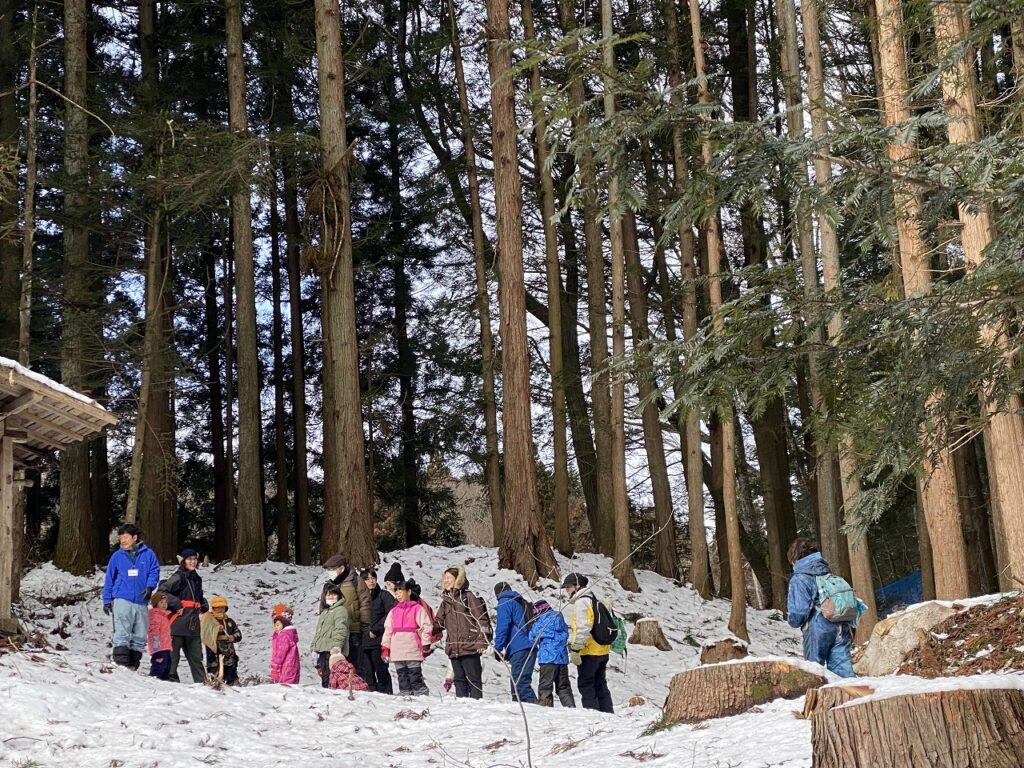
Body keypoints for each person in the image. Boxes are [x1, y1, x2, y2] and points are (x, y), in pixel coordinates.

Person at [787, 538, 856, 678]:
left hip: (817, 628)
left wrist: (792, 620)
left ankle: (818, 699)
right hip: (840, 625)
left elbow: (799, 612)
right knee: (844, 673)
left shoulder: (799, 578)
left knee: (814, 673)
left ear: (794, 558)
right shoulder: (826, 571)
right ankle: (850, 697)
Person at [101, 523, 160, 670]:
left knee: (140, 635)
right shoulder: (117, 556)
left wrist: (150, 587)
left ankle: (133, 666)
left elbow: (154, 571)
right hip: (122, 599)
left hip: (141, 601)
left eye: (125, 537)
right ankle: (121, 665)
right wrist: (107, 600)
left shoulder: (148, 554)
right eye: (120, 537)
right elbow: (109, 579)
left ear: (134, 537)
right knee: (122, 632)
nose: (122, 540)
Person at [435, 564, 491, 699]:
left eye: (449, 578)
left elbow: (481, 619)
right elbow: (438, 623)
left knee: (474, 681)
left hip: (470, 646)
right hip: (454, 648)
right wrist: (427, 628)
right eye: (445, 578)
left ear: (458, 580)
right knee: (459, 681)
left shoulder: (468, 596)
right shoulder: (446, 601)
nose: (446, 581)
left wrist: (482, 642)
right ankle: (463, 710)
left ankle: (477, 709)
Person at [561, 572, 614, 713]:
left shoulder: (581, 602)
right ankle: (608, 714)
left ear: (577, 586)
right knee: (600, 684)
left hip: (589, 651)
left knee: (586, 684)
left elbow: (583, 627)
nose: (566, 590)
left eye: (568, 587)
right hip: (602, 649)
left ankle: (594, 715)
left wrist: (576, 649)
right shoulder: (593, 600)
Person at [158, 548, 209, 683]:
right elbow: (161, 593)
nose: (192, 562)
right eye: (189, 559)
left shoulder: (196, 578)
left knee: (196, 657)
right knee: (173, 657)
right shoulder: (178, 576)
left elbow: (198, 597)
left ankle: (203, 684)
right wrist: (177, 604)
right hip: (177, 624)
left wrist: (203, 603)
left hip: (193, 625)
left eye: (194, 559)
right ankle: (169, 682)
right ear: (183, 561)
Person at [321, 554, 371, 681]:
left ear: (341, 568)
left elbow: (365, 603)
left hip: (353, 629)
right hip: (333, 632)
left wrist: (364, 625)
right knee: (334, 664)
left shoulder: (355, 581)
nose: (329, 573)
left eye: (332, 569)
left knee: (355, 664)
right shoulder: (329, 584)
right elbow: (323, 607)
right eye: (328, 570)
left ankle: (358, 688)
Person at [381, 579, 433, 696]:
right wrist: (385, 647)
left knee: (414, 674)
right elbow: (388, 630)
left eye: (401, 591)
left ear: (408, 592)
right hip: (397, 649)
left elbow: (426, 626)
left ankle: (421, 694)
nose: (398, 595)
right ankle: (405, 694)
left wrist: (426, 644)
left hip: (412, 647)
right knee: (402, 675)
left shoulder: (417, 609)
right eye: (396, 593)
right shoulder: (393, 611)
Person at [493, 582, 538, 704]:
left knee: (519, 684)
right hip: (530, 645)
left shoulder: (505, 602)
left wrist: (498, 648)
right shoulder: (521, 602)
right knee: (522, 682)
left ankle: (534, 712)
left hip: (519, 647)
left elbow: (502, 627)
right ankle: (529, 711)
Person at [529, 599, 575, 708]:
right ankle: (571, 708)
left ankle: (546, 710)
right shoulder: (560, 618)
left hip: (547, 658)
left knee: (545, 687)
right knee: (563, 687)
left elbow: (531, 638)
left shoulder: (540, 622)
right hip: (562, 659)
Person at [362, 568, 395, 694]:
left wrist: (376, 629)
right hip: (363, 641)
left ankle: (386, 696)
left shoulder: (384, 596)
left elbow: (391, 614)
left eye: (373, 578)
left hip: (379, 640)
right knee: (367, 673)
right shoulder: (360, 598)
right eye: (367, 579)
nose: (371, 581)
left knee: (381, 671)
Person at [311, 585, 350, 688]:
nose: (331, 597)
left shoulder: (340, 610)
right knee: (325, 679)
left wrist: (337, 647)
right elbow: (319, 632)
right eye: (328, 594)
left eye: (333, 594)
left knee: (332, 680)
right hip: (323, 650)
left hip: (332, 652)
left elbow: (341, 629)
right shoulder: (325, 612)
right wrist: (314, 647)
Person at [200, 595, 242, 684]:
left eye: (222, 607)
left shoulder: (229, 621)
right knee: (214, 670)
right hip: (213, 652)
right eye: (218, 607)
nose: (220, 609)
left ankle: (232, 684)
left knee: (230, 669)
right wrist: (215, 630)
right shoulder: (208, 620)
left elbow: (238, 633)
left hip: (228, 651)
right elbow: (204, 633)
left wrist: (233, 637)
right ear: (213, 608)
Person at [270, 603, 301, 684]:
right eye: (274, 625)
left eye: (277, 625)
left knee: (285, 685)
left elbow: (281, 652)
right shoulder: (290, 634)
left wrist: (275, 663)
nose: (275, 627)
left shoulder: (284, 635)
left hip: (285, 666)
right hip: (291, 665)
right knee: (291, 684)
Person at [147, 590, 173, 680]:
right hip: (159, 648)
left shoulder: (163, 616)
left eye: (165, 602)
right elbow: (154, 632)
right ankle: (154, 680)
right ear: (155, 603)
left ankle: (164, 682)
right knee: (159, 666)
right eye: (161, 602)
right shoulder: (155, 615)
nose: (164, 604)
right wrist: (156, 649)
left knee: (167, 666)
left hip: (166, 647)